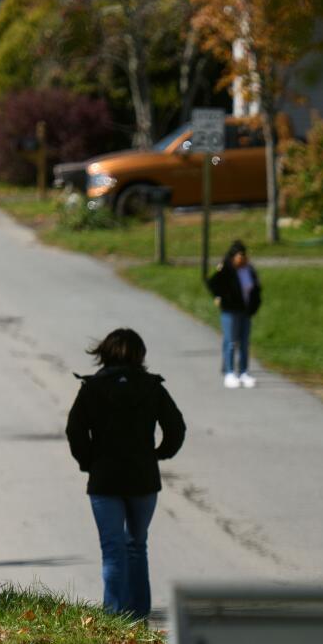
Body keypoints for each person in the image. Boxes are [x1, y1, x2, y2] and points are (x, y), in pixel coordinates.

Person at [64, 328, 186, 622]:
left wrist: (88, 461)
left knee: (112, 549)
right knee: (136, 545)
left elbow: (75, 431)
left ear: (103, 352)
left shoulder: (92, 388)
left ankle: (114, 618)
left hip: (104, 478)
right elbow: (176, 428)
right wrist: (159, 453)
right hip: (143, 478)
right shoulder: (152, 387)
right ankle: (138, 615)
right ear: (140, 355)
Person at [206, 240, 262, 387]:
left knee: (244, 343)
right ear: (233, 256)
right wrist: (221, 297)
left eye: (244, 255)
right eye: (239, 255)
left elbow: (255, 288)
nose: (242, 258)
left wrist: (255, 305)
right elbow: (213, 284)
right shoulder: (227, 269)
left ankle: (244, 372)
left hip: (245, 311)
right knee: (231, 342)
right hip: (230, 310)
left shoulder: (249, 269)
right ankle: (230, 373)